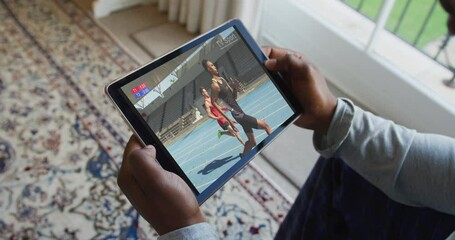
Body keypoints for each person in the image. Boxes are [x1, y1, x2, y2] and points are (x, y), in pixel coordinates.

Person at [117, 0, 455, 238]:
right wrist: (333, 117)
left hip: (234, 114)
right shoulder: (213, 92)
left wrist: (184, 229)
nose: (449, 26)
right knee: (341, 163)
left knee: (258, 131)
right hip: (231, 114)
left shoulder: (218, 85)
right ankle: (248, 142)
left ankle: (246, 142)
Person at [201, 59, 272, 157]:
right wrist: (228, 120)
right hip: (237, 115)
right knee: (266, 126)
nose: (215, 66)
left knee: (252, 142)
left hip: (240, 111)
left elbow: (234, 98)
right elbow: (214, 102)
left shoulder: (222, 80)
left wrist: (234, 87)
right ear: (209, 69)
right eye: (212, 65)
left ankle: (243, 156)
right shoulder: (215, 85)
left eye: (214, 65)